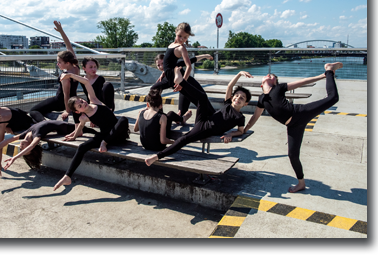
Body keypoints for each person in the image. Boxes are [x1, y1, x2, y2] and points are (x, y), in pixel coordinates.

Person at [244, 62, 343, 193]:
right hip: (293, 126)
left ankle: (330, 70)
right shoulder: (262, 99)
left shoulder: (278, 88)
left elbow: (301, 82)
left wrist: (323, 76)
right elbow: (255, 117)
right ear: (261, 84)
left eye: (273, 76)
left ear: (275, 82)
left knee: (333, 98)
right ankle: (301, 183)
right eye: (267, 75)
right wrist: (244, 130)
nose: (269, 75)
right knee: (292, 155)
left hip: (300, 112)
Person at [145, 67, 252, 166]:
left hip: (206, 128)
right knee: (202, 97)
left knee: (184, 139)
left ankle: (157, 156)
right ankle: (181, 81)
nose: (238, 98)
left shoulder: (240, 117)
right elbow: (230, 86)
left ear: (245, 104)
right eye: (236, 96)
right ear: (232, 97)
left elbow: (241, 131)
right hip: (206, 118)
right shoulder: (228, 103)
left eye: (242, 98)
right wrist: (239, 74)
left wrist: (231, 134)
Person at [52, 72, 130, 191]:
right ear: (78, 112)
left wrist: (70, 75)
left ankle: (104, 142)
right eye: (79, 106)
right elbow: (80, 126)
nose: (83, 103)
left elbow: (86, 82)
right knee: (82, 147)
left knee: (123, 119)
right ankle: (67, 176)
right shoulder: (84, 117)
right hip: (105, 136)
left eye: (81, 101)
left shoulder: (95, 101)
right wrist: (74, 136)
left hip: (118, 134)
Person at [0, 120, 97, 178]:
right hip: (66, 128)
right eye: (23, 148)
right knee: (90, 131)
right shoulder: (36, 137)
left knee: (90, 130)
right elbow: (31, 146)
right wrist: (14, 158)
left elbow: (5, 141)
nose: (21, 146)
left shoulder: (24, 135)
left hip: (62, 127)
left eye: (20, 147)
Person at [150, 23, 211, 115]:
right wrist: (164, 72)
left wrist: (183, 83)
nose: (182, 39)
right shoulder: (171, 45)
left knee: (199, 99)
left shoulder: (181, 48)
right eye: (180, 36)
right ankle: (159, 115)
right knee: (154, 89)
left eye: (185, 37)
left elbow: (189, 66)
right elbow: (168, 64)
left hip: (179, 79)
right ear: (175, 32)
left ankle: (211, 117)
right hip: (170, 78)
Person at [29, 21, 80, 123]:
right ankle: (50, 119)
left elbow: (66, 94)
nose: (57, 64)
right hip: (73, 99)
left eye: (59, 62)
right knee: (44, 107)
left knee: (33, 110)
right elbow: (68, 45)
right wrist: (61, 31)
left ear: (67, 63)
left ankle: (45, 124)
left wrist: (67, 110)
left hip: (60, 101)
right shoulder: (76, 68)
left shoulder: (65, 75)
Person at [154, 52, 213, 120]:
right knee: (180, 115)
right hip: (183, 92)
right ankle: (160, 116)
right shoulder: (167, 77)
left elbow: (192, 60)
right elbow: (155, 88)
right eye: (158, 65)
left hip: (192, 86)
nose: (161, 66)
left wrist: (205, 55)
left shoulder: (176, 64)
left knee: (210, 111)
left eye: (162, 64)